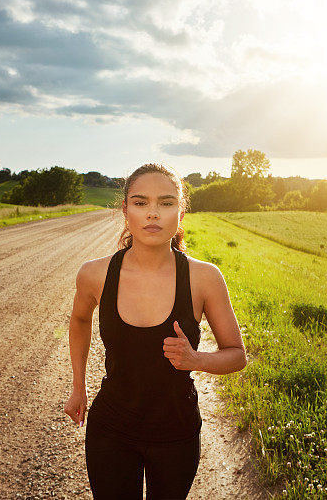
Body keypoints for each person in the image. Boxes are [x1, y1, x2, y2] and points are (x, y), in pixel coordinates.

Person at [64, 163, 247, 500]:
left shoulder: (204, 278)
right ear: (125, 210)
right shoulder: (95, 274)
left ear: (181, 212)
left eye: (166, 203)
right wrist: (78, 387)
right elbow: (78, 320)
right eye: (140, 203)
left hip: (176, 432)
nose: (153, 214)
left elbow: (237, 355)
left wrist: (196, 359)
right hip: (111, 429)